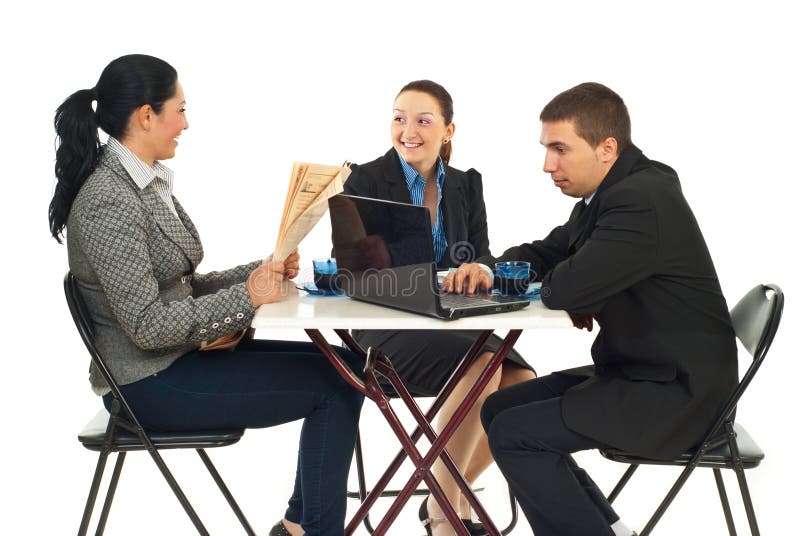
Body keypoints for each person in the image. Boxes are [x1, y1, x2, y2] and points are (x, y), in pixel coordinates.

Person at [49, 54, 364, 536]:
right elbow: (149, 326)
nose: (186, 124)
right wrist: (249, 297)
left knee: (348, 368)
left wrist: (257, 274)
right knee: (338, 384)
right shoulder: (108, 198)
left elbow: (180, 285)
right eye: (179, 109)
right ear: (146, 116)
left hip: (177, 362)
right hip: (148, 383)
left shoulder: (142, 180)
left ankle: (298, 527)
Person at [444, 82, 739, 536]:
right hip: (643, 371)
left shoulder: (640, 199)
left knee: (515, 434)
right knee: (501, 409)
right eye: (546, 149)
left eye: (560, 149)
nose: (547, 165)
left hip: (679, 397)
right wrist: (486, 267)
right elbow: (549, 253)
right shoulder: (612, 191)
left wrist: (588, 290)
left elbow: (563, 288)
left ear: (607, 147)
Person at [342, 80, 536, 536]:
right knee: (485, 364)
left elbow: (482, 254)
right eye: (398, 118)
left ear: (448, 130)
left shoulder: (466, 184)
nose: (408, 130)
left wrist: (477, 271)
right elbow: (355, 271)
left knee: (523, 383)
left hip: (453, 319)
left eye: (423, 120)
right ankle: (449, 516)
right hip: (385, 329)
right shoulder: (365, 179)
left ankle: (441, 492)